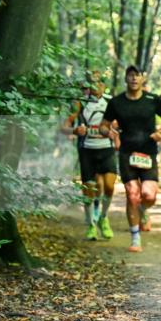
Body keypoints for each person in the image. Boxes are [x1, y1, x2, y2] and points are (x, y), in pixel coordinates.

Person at [100, 65, 161, 252]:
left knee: (149, 195)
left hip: (148, 152)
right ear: (126, 78)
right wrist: (110, 133)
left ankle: (142, 210)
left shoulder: (152, 100)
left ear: (142, 79)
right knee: (132, 194)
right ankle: (135, 238)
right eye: (130, 75)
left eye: (137, 75)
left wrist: (160, 132)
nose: (133, 78)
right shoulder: (116, 102)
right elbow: (104, 125)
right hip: (127, 153)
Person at [62, 70, 118, 240]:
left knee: (109, 186)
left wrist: (115, 132)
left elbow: (120, 124)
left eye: (99, 82)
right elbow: (63, 127)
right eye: (92, 83)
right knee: (89, 189)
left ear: (104, 85)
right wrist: (74, 130)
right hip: (87, 150)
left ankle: (103, 217)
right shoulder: (80, 103)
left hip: (106, 149)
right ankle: (91, 225)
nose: (96, 86)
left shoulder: (111, 102)